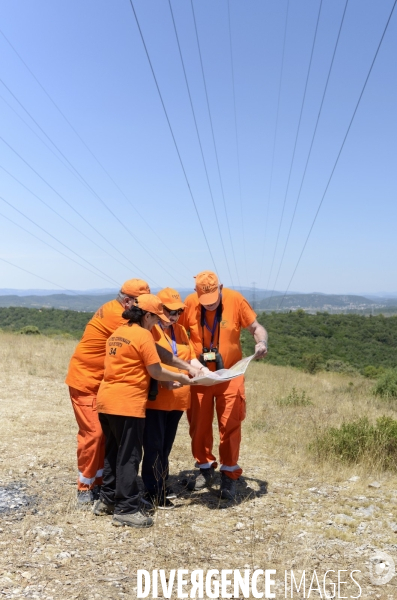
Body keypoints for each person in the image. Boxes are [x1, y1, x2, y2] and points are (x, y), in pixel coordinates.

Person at [65, 279, 201, 505]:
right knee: (97, 436)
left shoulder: (126, 315)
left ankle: (105, 490)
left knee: (110, 442)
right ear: (128, 302)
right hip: (88, 381)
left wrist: (185, 366)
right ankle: (86, 486)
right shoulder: (121, 318)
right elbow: (153, 351)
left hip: (107, 383)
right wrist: (182, 373)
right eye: (140, 305)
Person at [93, 294, 195, 528]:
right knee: (129, 456)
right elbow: (157, 371)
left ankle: (108, 500)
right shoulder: (142, 334)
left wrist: (186, 366)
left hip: (106, 401)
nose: (159, 322)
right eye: (156, 318)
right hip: (127, 404)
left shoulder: (119, 333)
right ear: (146, 315)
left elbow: (161, 354)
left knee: (112, 453)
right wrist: (184, 378)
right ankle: (126, 509)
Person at [179, 270, 268, 500]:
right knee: (198, 424)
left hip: (230, 375)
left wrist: (262, 343)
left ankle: (229, 475)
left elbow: (256, 328)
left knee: (230, 424)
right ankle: (205, 468)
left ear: (221, 288)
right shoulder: (189, 303)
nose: (209, 306)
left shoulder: (236, 300)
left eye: (213, 301)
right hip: (200, 375)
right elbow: (176, 332)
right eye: (204, 302)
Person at [141, 287, 208, 510]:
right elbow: (151, 363)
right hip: (157, 399)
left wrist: (204, 372)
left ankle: (161, 483)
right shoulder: (150, 330)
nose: (173, 316)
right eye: (169, 311)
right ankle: (153, 492)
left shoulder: (180, 330)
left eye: (178, 312)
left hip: (178, 400)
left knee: (165, 446)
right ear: (158, 310)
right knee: (154, 446)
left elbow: (190, 358)